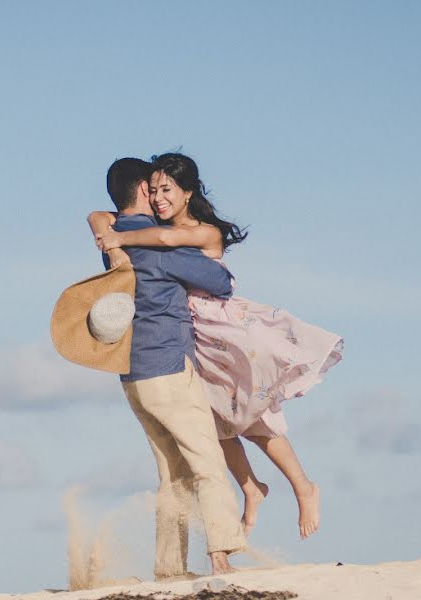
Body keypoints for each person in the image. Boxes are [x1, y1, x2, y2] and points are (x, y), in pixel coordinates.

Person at [91, 153, 343, 540]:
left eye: (167, 190)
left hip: (221, 328)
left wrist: (118, 238)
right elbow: (102, 215)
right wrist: (101, 224)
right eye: (154, 190)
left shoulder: (198, 231)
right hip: (194, 337)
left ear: (188, 192)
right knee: (215, 422)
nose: (159, 198)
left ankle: (303, 487)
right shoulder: (154, 227)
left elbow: (165, 239)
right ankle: (250, 488)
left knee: (255, 415)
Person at [91, 157, 247, 579]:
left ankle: (169, 567)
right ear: (143, 190)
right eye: (154, 187)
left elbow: (101, 216)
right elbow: (221, 283)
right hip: (168, 366)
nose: (160, 196)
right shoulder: (155, 248)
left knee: (173, 473)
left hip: (133, 373)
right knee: (207, 460)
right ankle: (222, 554)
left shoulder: (112, 240)